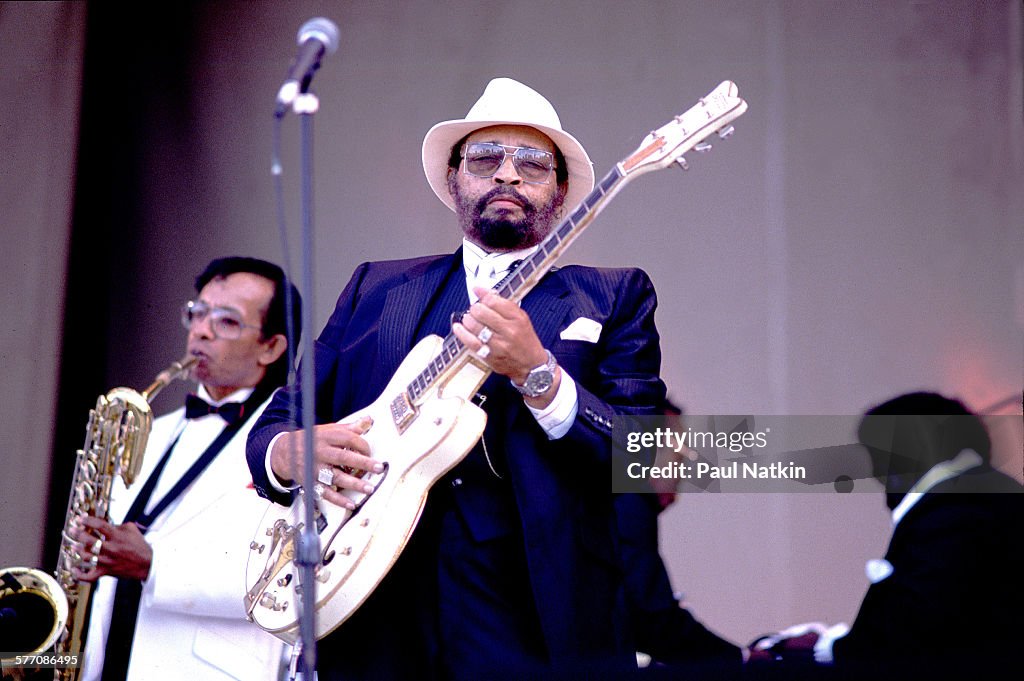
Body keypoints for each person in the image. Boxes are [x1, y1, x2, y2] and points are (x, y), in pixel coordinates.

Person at [247, 77, 667, 679]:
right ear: (453, 179)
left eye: (532, 164)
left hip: (536, 618)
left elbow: (645, 455)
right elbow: (283, 418)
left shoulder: (612, 295)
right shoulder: (376, 287)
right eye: (485, 159)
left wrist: (540, 375)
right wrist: (288, 453)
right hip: (371, 604)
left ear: (564, 190)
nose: (507, 176)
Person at [71, 256, 300, 681]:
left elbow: (286, 577)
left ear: (271, 347)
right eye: (196, 314)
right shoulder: (154, 431)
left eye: (227, 322)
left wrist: (154, 563)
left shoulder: (288, 447)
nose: (200, 331)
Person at [749, 391, 1022, 679]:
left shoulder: (955, 513)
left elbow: (918, 633)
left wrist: (822, 647)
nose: (876, 472)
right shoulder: (989, 497)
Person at [616, 398, 741, 670]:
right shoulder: (630, 503)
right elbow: (654, 620)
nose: (683, 468)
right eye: (679, 452)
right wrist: (745, 661)